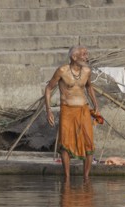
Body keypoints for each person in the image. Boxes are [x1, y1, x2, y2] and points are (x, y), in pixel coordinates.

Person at [45, 45, 99, 181]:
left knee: (88, 142)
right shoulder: (62, 71)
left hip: (83, 109)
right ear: (74, 57)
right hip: (67, 110)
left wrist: (96, 104)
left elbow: (89, 87)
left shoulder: (87, 71)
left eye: (87, 54)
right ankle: (67, 178)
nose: (87, 57)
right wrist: (48, 110)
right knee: (65, 144)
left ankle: (86, 177)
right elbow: (48, 88)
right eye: (84, 54)